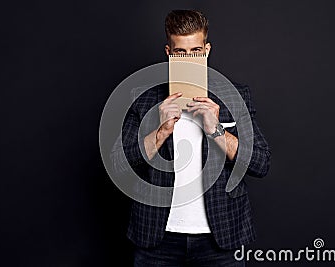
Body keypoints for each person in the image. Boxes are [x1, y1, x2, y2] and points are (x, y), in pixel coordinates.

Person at [111, 10, 271, 266]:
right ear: (168, 52)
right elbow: (119, 165)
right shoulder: (142, 98)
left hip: (221, 238)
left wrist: (216, 129)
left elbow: (260, 163)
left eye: (195, 51)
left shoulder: (234, 96)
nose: (188, 60)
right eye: (180, 53)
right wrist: (161, 130)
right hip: (157, 238)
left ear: (207, 50)